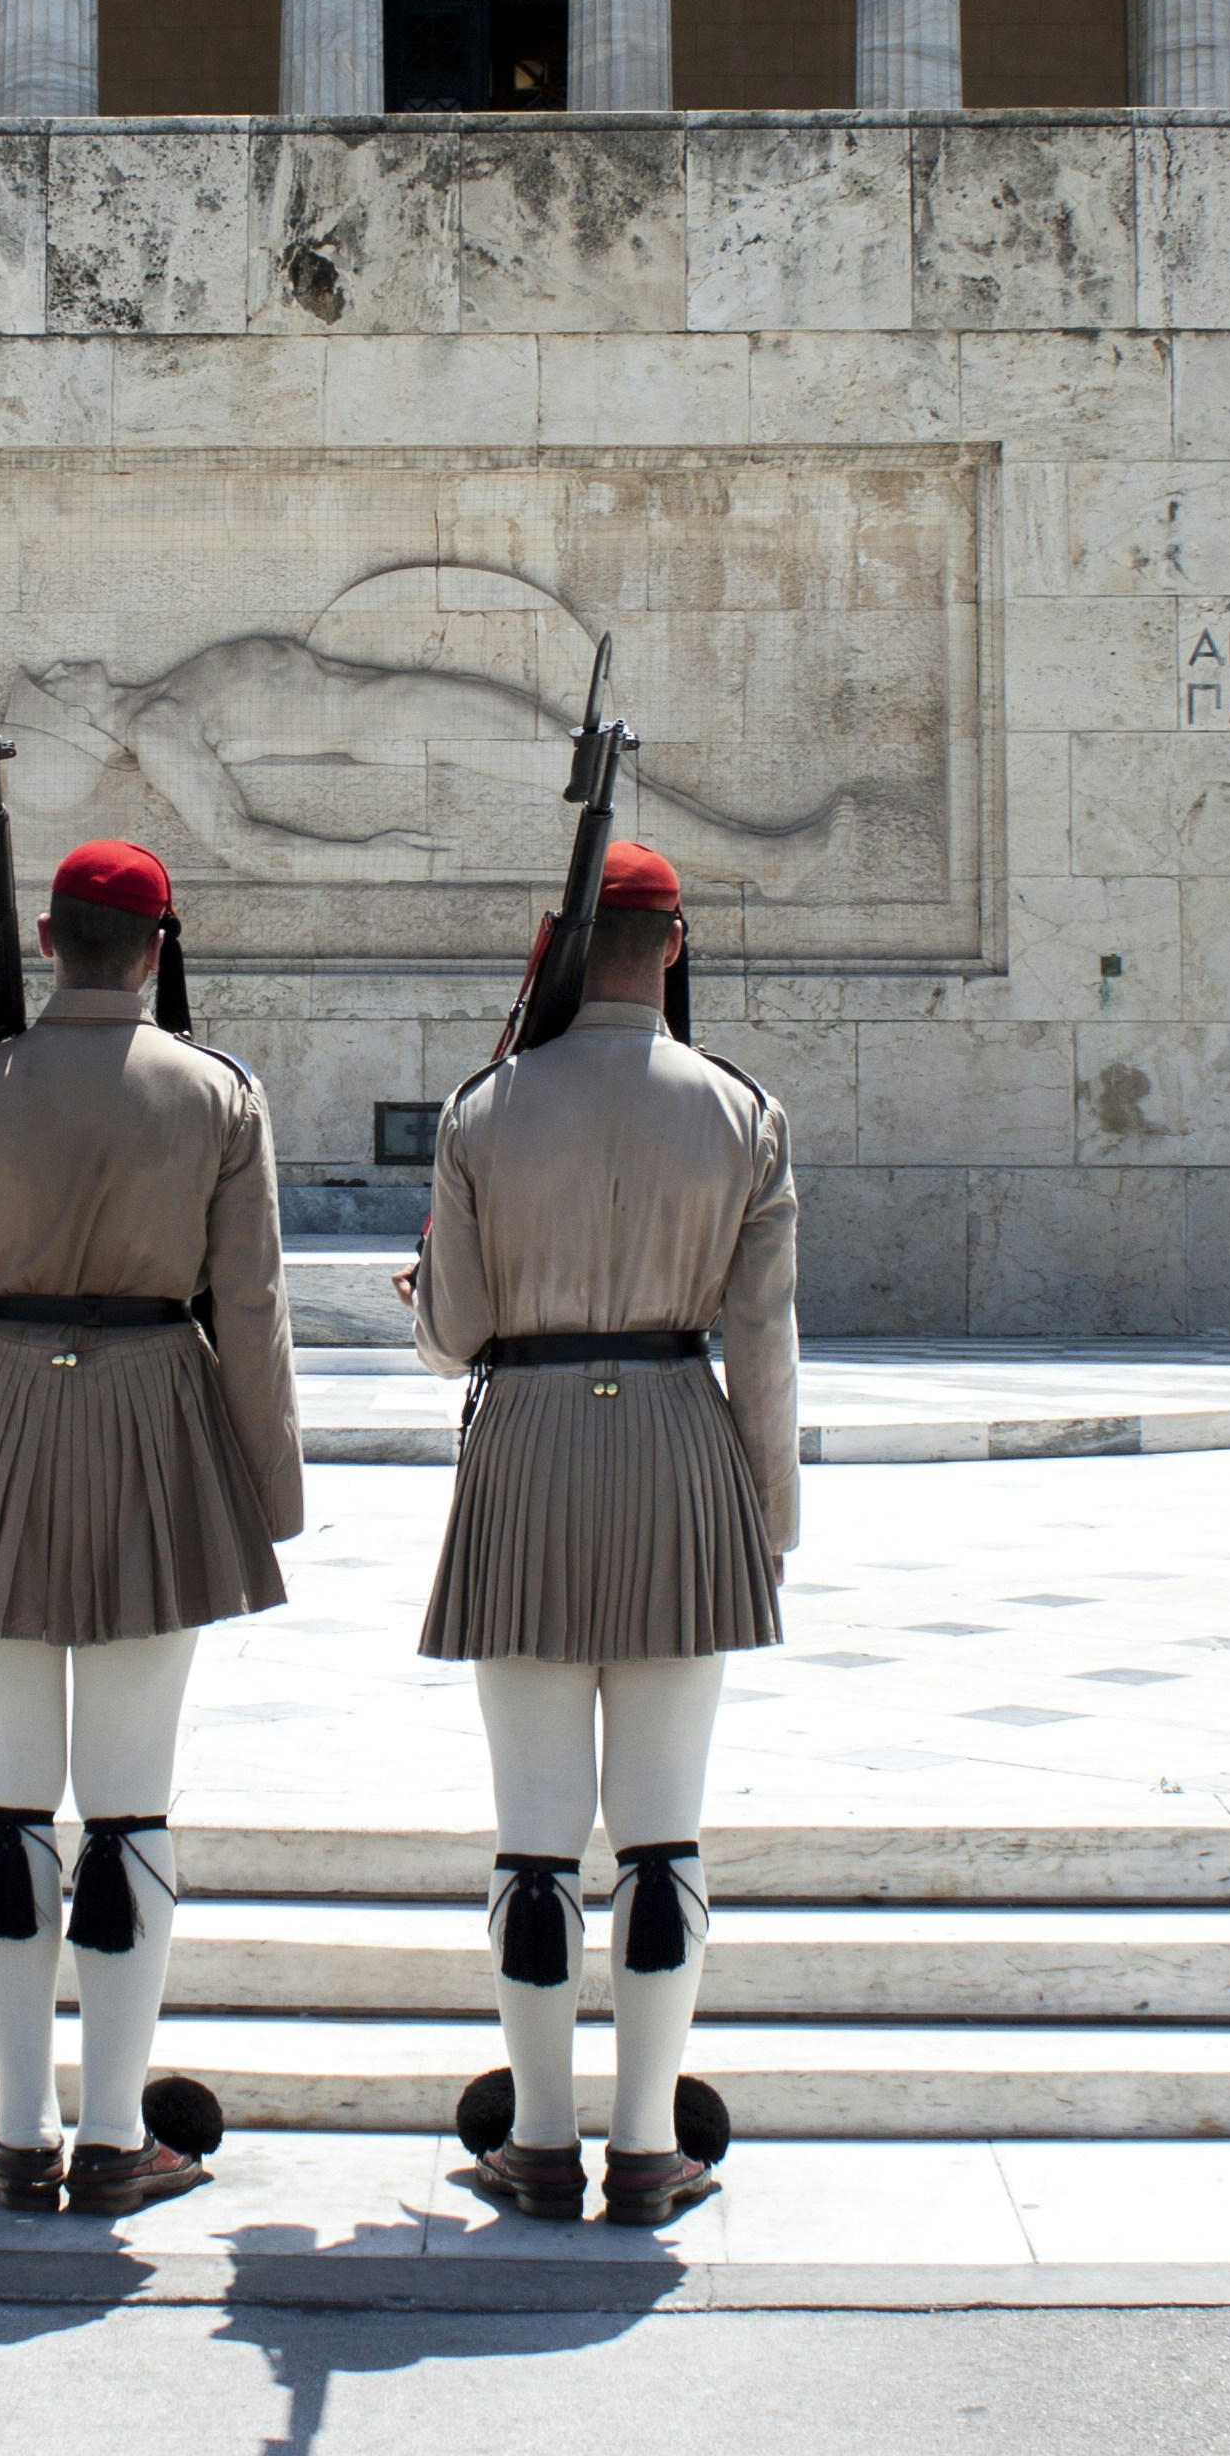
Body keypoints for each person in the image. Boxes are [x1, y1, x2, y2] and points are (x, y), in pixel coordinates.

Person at [0, 838, 300, 2218]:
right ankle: (117, 2129)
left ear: (46, 941)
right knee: (129, 1812)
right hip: (157, 1432)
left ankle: (18, 2125)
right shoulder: (219, 1096)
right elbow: (252, 1316)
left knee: (7, 1809)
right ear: (162, 945)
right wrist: (268, 1497)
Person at [407, 841, 796, 2228]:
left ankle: (535, 2137)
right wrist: (770, 1523)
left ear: (562, 944)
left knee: (532, 1841)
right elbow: (764, 1340)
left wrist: (433, 1297)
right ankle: (646, 2146)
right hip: (685, 1455)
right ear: (676, 943)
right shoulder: (741, 1111)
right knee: (663, 1837)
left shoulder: (486, 1107)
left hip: (526, 1450)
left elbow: (451, 1338)